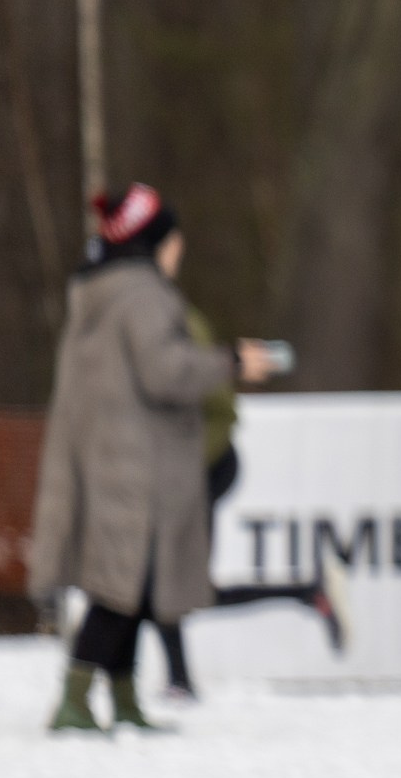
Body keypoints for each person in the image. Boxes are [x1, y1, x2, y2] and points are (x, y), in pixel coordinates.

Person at [30, 185, 281, 733]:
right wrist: (230, 361)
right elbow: (165, 371)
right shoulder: (143, 295)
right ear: (156, 242)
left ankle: (122, 698)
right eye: (174, 239)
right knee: (124, 586)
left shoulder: (97, 288)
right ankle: (74, 700)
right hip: (137, 464)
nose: (180, 250)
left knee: (130, 586)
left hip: (106, 456)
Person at [147, 299, 347, 703]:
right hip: (189, 473)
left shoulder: (174, 328)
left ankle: (180, 679)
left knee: (173, 585)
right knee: (171, 584)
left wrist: (184, 468)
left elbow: (221, 411)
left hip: (201, 471)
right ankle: (306, 593)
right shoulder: (159, 327)